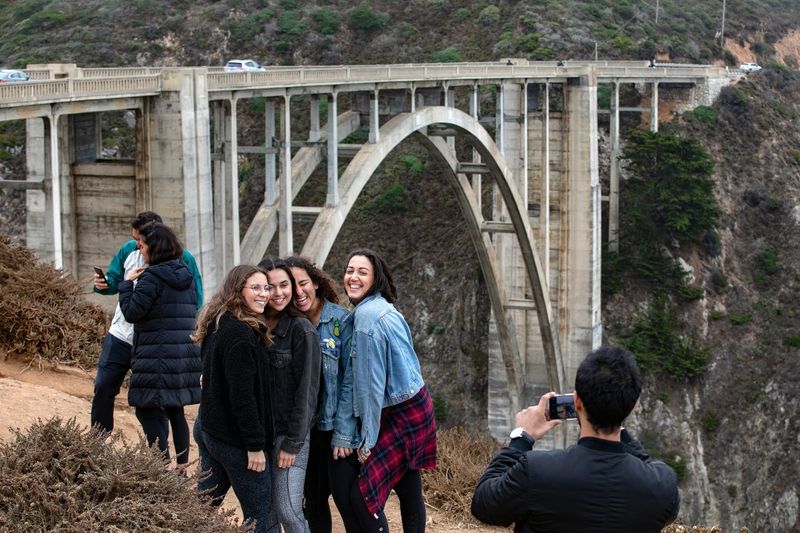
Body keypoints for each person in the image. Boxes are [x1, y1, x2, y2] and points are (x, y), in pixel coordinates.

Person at [471, 346, 680, 532]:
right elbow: (649, 471)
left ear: (577, 401)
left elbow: (483, 505)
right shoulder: (662, 485)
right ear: (633, 406)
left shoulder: (537, 471)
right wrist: (616, 418)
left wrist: (521, 437)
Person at [332, 248, 437, 533]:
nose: (353, 277)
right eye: (349, 270)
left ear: (375, 278)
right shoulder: (382, 308)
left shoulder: (367, 321)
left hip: (401, 411)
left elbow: (370, 386)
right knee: (407, 484)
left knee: (364, 495)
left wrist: (367, 440)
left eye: (362, 272)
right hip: (415, 404)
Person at [90, 211, 203, 434]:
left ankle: (158, 458)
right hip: (121, 335)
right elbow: (114, 281)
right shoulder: (127, 251)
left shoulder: (184, 258)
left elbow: (196, 298)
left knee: (154, 402)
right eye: (134, 239)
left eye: (140, 240)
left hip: (154, 342)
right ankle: (98, 441)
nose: (136, 244)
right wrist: (102, 285)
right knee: (103, 387)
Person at [192, 265, 274, 533]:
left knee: (200, 508)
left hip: (210, 428)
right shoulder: (241, 334)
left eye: (266, 287)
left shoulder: (219, 320)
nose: (264, 294)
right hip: (236, 441)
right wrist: (254, 445)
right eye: (256, 288)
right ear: (238, 291)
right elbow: (242, 398)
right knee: (262, 516)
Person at [118, 223, 202, 469]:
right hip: (183, 353)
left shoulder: (150, 278)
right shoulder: (185, 274)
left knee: (146, 409)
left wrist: (126, 285)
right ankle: (182, 468)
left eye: (142, 245)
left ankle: (161, 465)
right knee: (175, 408)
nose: (140, 250)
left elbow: (132, 312)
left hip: (156, 353)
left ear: (154, 248)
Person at [284, 255, 357, 533]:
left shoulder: (342, 321)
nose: (299, 291)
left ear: (315, 283)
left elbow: (351, 381)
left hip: (335, 428)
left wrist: (344, 432)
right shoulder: (287, 325)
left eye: (303, 283)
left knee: (347, 499)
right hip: (305, 430)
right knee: (312, 501)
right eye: (292, 285)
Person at [259, 256, 321, 533]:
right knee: (266, 511)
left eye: (285, 285)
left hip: (289, 434)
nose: (278, 293)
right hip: (258, 436)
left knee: (288, 510)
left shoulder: (301, 331)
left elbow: (307, 393)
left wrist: (292, 443)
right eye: (270, 286)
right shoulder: (251, 326)